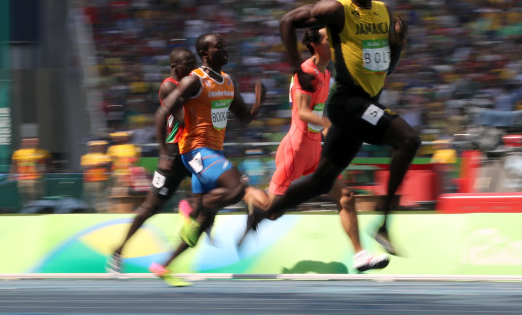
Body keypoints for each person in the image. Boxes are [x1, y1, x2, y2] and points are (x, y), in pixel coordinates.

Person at [245, 0, 420, 256]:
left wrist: (398, 43)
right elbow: (287, 21)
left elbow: (386, 70)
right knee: (409, 139)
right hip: (348, 102)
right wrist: (296, 70)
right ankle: (384, 225)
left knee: (321, 181)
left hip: (366, 104)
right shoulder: (336, 9)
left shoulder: (383, 12)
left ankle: (266, 212)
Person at [265, 27, 389, 271]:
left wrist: (327, 130)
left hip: (314, 151)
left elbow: (318, 111)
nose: (335, 43)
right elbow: (302, 111)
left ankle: (360, 255)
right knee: (272, 213)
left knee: (346, 197)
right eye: (328, 39)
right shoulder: (306, 72)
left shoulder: (326, 73)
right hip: (295, 151)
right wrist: (328, 124)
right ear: (315, 45)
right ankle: (244, 194)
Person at [149, 32, 267, 286]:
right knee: (237, 187)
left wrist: (258, 102)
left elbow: (244, 117)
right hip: (195, 150)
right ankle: (192, 209)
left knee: (204, 222)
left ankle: (163, 265)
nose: (225, 50)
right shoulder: (194, 81)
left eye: (225, 46)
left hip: (214, 153)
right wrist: (163, 153)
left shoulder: (227, 81)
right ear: (204, 54)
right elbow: (162, 114)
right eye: (219, 47)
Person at [107, 46, 196, 275]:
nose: (193, 65)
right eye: (188, 62)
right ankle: (118, 251)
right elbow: (181, 119)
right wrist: (164, 154)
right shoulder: (169, 86)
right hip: (174, 154)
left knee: (214, 190)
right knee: (149, 208)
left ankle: (188, 212)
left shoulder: (194, 84)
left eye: (194, 60)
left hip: (194, 151)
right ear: (175, 66)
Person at [10, 137, 52, 203]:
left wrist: (45, 172)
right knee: (25, 198)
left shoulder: (43, 152)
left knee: (36, 197)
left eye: (34, 141)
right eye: (28, 141)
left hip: (37, 179)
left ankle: (37, 210)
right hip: (23, 179)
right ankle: (28, 210)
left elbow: (49, 164)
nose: (31, 143)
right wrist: (11, 176)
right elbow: (14, 165)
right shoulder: (17, 153)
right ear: (23, 143)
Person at [80, 140, 112, 212]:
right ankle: (89, 211)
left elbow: (109, 165)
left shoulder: (105, 156)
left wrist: (97, 165)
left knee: (101, 198)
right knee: (89, 198)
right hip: (89, 181)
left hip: (102, 181)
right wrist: (99, 164)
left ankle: (101, 212)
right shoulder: (86, 156)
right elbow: (85, 166)